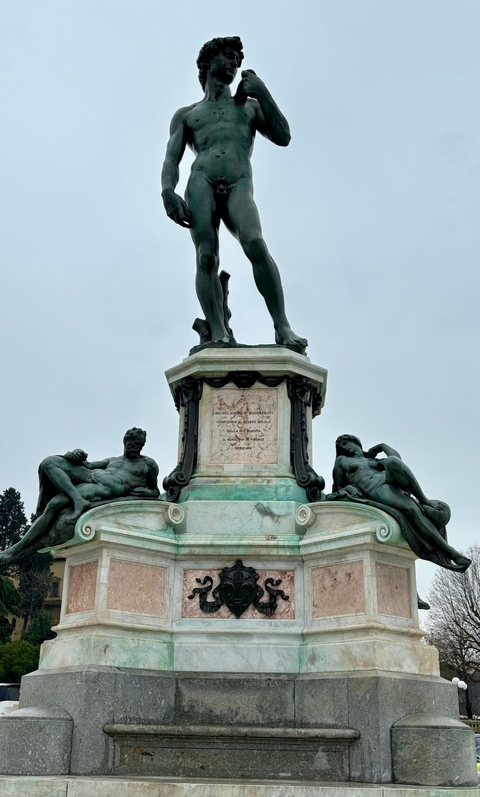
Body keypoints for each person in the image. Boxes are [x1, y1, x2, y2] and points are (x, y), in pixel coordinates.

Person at [161, 36, 307, 352]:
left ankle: (282, 327)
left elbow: (283, 136)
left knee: (254, 241)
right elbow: (171, 159)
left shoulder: (249, 107)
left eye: (238, 60)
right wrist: (167, 191)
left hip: (239, 182)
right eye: (228, 56)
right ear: (209, 61)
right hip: (201, 180)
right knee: (206, 255)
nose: (235, 63)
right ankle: (218, 333)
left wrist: (262, 92)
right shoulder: (187, 114)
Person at [0, 428, 160, 565]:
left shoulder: (148, 464)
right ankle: (78, 500)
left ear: (142, 445)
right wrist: (74, 454)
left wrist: (147, 492)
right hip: (90, 475)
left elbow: (155, 491)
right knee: (48, 462)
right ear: (125, 441)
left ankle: (15, 549)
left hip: (103, 488)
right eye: (131, 443)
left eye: (138, 444)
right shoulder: (113, 460)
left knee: (55, 503)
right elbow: (87, 465)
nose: (134, 447)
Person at [328, 434, 471, 572]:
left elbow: (397, 460)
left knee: (392, 461)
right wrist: (349, 488)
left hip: (389, 481)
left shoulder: (370, 459)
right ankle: (451, 552)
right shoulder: (341, 460)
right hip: (377, 489)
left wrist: (382, 446)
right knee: (412, 510)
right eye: (340, 446)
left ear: (356, 442)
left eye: (345, 443)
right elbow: (340, 487)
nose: (344, 447)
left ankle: (424, 500)